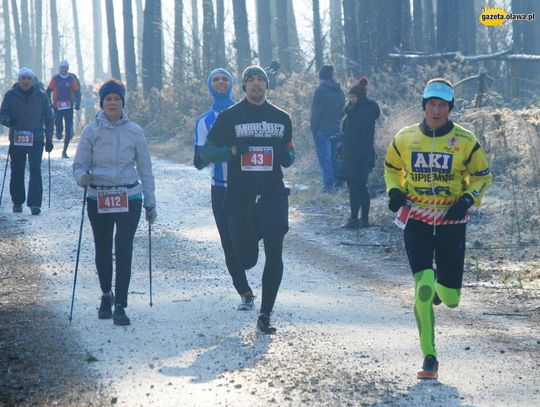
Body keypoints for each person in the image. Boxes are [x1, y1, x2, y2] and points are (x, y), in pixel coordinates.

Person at [384, 78, 492, 380]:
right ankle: (430, 357)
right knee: (425, 285)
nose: (436, 110)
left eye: (442, 105)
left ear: (450, 108)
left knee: (452, 298)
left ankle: (433, 296)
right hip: (416, 221)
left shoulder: (466, 140)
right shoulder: (405, 138)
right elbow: (391, 169)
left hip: (452, 225)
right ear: (423, 106)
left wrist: (468, 199)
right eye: (431, 104)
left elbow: (484, 176)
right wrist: (394, 191)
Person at [201, 66, 295, 334]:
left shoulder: (281, 117)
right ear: (243, 87)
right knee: (246, 259)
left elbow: (290, 150)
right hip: (240, 196)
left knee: (275, 251)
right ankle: (251, 240)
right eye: (251, 81)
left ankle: (265, 315)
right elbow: (207, 152)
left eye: (261, 80)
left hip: (272, 194)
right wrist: (230, 150)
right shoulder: (231, 116)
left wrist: (287, 157)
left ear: (267, 85)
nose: (256, 85)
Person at [73, 79, 156, 326]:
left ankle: (121, 303)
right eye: (108, 99)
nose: (112, 103)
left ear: (122, 103)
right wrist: (82, 178)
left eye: (117, 99)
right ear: (102, 103)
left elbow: (145, 169)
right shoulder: (90, 131)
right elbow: (78, 166)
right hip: (98, 196)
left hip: (129, 197)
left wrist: (150, 203)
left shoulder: (135, 131)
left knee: (124, 249)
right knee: (102, 247)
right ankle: (106, 294)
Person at [194, 68, 255, 311]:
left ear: (232, 84)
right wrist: (229, 152)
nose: (220, 83)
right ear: (210, 86)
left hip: (250, 186)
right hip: (220, 189)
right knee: (228, 241)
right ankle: (245, 291)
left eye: (225, 79)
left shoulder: (246, 112)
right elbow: (199, 161)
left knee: (249, 236)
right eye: (216, 80)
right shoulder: (205, 121)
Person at [0, 67, 54, 215]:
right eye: (23, 78)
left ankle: (35, 203)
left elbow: (49, 118)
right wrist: (9, 121)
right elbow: (2, 114)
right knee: (17, 170)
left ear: (32, 80)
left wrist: (49, 139)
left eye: (28, 78)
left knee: (35, 169)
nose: (26, 81)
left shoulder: (42, 96)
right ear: (19, 80)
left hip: (36, 139)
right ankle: (17, 202)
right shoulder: (10, 95)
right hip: (17, 138)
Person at [337, 77, 380, 229]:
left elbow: (363, 135)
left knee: (358, 187)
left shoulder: (365, 113)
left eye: (353, 96)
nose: (351, 99)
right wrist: (341, 138)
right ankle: (359, 219)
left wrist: (345, 138)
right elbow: (352, 132)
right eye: (350, 96)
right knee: (357, 186)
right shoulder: (354, 111)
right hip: (353, 154)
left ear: (360, 97)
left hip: (359, 155)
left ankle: (359, 219)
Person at [310, 64, 345, 192]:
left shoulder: (320, 91)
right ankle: (339, 185)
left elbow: (315, 113)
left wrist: (313, 128)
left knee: (325, 159)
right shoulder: (340, 91)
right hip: (337, 128)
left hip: (323, 130)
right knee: (336, 159)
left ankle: (328, 186)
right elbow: (343, 110)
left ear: (321, 77)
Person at [46, 60, 81, 158]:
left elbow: (77, 91)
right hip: (57, 106)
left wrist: (77, 103)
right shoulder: (55, 78)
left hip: (69, 107)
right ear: (59, 68)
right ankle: (58, 132)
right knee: (59, 127)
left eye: (66, 67)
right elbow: (48, 91)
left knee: (69, 129)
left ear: (68, 68)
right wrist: (49, 103)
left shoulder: (71, 79)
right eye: (62, 67)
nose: (64, 69)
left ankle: (64, 151)